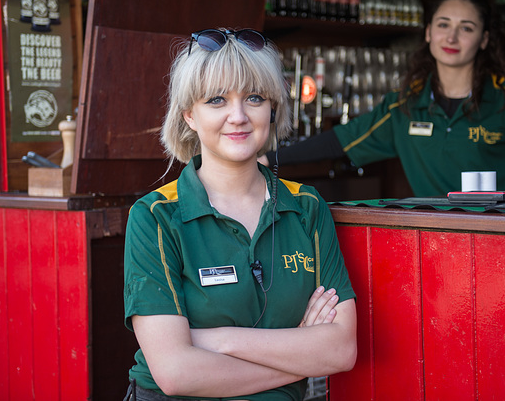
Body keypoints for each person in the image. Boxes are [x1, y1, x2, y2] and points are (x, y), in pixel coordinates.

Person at [123, 28, 357, 401]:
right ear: (189, 116)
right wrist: (300, 349)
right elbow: (175, 373)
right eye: (216, 100)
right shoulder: (154, 217)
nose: (238, 116)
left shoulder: (308, 208)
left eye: (254, 98)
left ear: (272, 108)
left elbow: (340, 351)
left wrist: (220, 341)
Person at [260, 0, 505, 197]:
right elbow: (340, 140)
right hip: (434, 234)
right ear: (428, 33)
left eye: (466, 28)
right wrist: (269, 158)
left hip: (503, 232)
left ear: (484, 40)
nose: (452, 38)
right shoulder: (407, 105)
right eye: (443, 25)